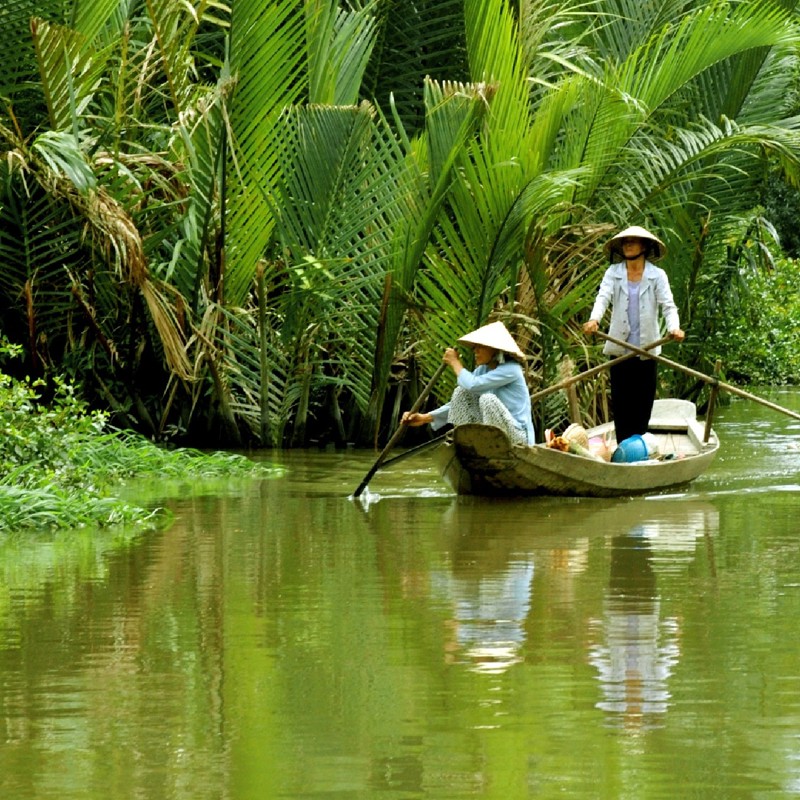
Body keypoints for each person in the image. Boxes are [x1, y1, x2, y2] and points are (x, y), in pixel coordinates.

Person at [582, 226, 684, 443]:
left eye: (633, 241)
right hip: (620, 349)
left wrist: (674, 327)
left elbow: (668, 306)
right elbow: (603, 297)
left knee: (642, 403)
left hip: (647, 350)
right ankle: (623, 448)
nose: (628, 245)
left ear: (645, 246)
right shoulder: (614, 273)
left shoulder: (657, 275)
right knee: (621, 403)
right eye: (625, 242)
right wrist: (594, 319)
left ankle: (639, 446)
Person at [401, 321, 535, 446]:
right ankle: (466, 443)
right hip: (492, 435)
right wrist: (425, 418)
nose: (475, 351)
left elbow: (473, 384)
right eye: (474, 347)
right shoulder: (483, 370)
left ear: (494, 349)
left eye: (480, 347)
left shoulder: (511, 369)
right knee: (461, 392)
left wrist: (454, 362)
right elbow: (460, 402)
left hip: (518, 437)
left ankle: (488, 447)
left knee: (487, 400)